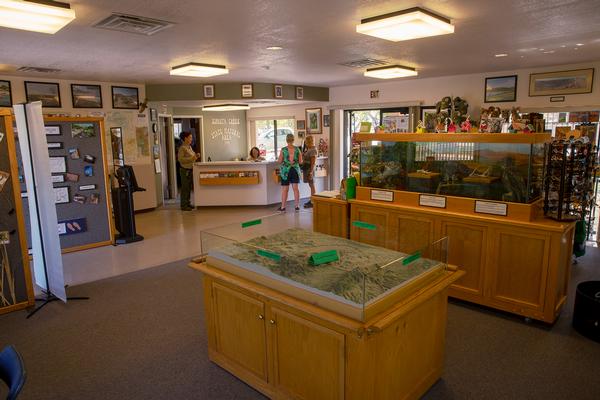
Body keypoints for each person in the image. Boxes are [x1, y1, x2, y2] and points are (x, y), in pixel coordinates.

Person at [277, 133, 302, 212]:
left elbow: (280, 161)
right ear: (293, 140)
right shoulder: (297, 149)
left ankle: (283, 207)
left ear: (286, 140)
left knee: (285, 189)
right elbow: (300, 161)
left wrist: (285, 161)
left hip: (285, 171)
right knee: (296, 189)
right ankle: (297, 206)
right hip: (294, 170)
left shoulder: (283, 149)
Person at [177, 131, 199, 211]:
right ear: (185, 138)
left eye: (191, 138)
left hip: (190, 170)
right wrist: (193, 158)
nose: (191, 139)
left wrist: (196, 156)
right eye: (190, 137)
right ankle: (184, 205)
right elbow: (181, 160)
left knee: (189, 188)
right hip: (185, 170)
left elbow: (192, 157)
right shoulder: (182, 148)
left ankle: (188, 203)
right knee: (185, 188)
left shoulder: (189, 147)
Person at [301, 135, 318, 208]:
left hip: (310, 170)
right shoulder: (309, 149)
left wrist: (311, 172)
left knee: (312, 185)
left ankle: (313, 201)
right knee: (311, 185)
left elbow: (313, 162)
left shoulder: (313, 150)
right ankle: (312, 199)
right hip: (307, 169)